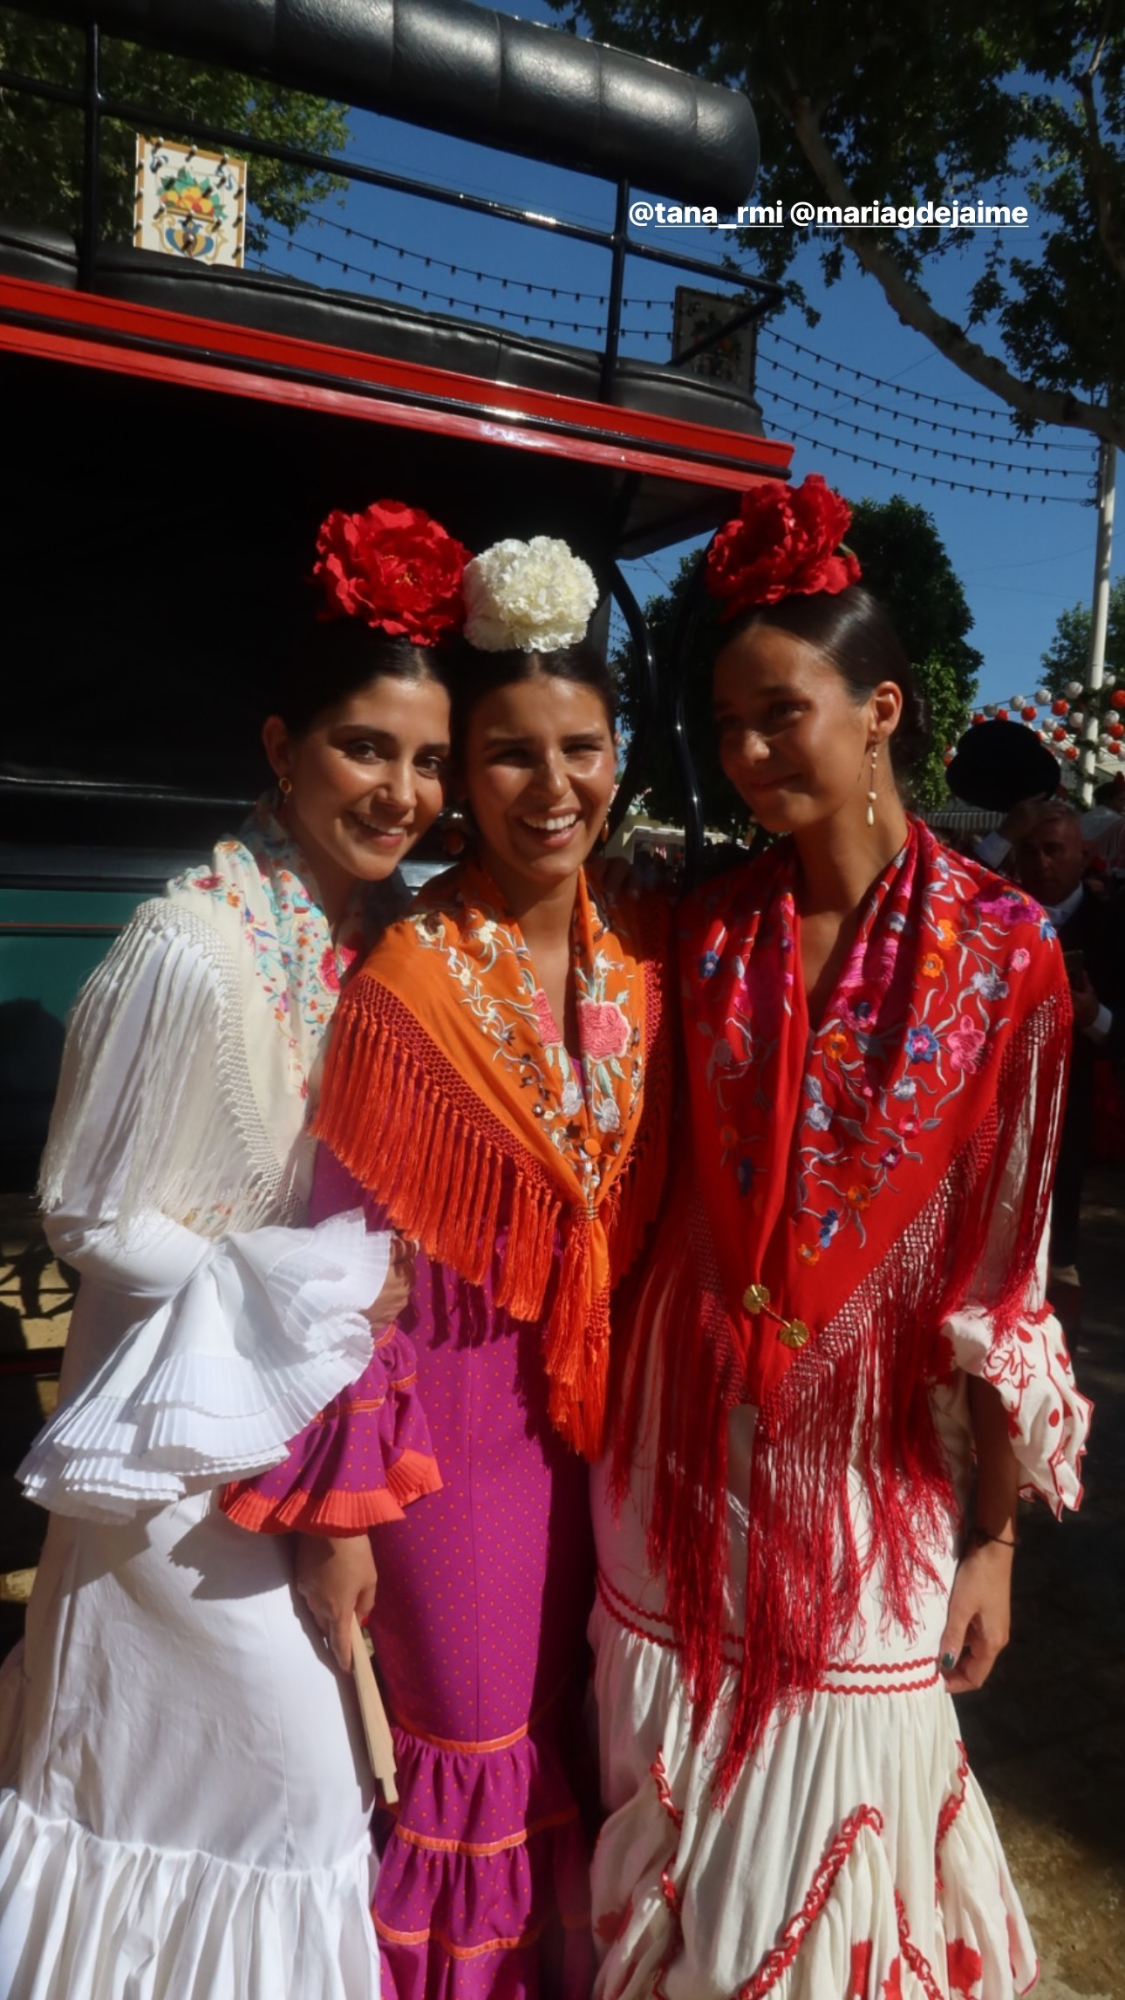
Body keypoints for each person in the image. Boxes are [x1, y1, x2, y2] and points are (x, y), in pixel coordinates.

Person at [588, 477, 1091, 2000]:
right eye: (725, 723)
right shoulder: (695, 922)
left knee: (841, 1820)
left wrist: (993, 1539)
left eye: (779, 714)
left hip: (865, 1476)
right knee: (667, 1824)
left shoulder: (1008, 959)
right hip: (672, 1455)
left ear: (879, 709)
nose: (746, 754)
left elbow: (1005, 1271)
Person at [0, 498, 471, 2000]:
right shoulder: (186, 944)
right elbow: (84, 1213)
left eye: (425, 760)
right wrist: (311, 1293)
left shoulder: (370, 938)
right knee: (266, 1786)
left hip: (310, 1438)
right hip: (174, 1452)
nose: (400, 790)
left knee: (308, 1777)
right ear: (279, 748)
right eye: (365, 748)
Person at [221, 535, 674, 1999]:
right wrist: (339, 1513)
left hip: (589, 1447)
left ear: (620, 755)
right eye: (507, 756)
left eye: (581, 748)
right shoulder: (409, 988)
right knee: (470, 1767)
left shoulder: (634, 973)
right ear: (459, 777)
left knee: (570, 1749)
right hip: (449, 1455)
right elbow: (344, 1277)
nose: (554, 791)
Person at [1012, 798, 1125, 1327]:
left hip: (1073, 1138)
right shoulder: (994, 919)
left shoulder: (1115, 931)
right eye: (1029, 851)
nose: (1041, 863)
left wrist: (1093, 1015)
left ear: (1082, 855)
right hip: (997, 1126)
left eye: (1053, 850)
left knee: (1058, 1288)